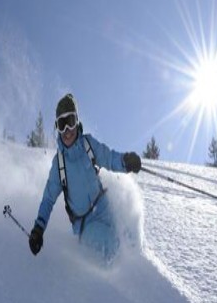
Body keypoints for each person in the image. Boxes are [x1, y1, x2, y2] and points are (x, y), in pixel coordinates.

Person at [29, 93, 141, 260]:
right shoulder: (59, 164)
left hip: (105, 206)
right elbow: (48, 199)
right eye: (62, 124)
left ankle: (140, 270)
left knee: (129, 238)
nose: (67, 131)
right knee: (112, 245)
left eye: (70, 122)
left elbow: (109, 158)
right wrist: (39, 228)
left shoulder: (88, 144)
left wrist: (126, 161)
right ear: (57, 128)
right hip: (85, 224)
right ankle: (116, 281)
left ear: (77, 121)